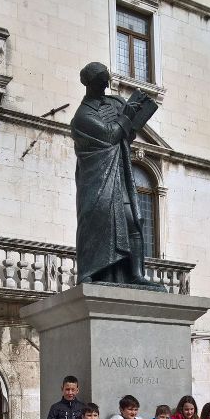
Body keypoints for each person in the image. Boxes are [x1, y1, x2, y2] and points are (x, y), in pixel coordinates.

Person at [71, 61, 157, 285]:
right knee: (96, 223)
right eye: (100, 83)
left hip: (120, 175)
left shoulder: (115, 102)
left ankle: (137, 275)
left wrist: (135, 116)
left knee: (134, 220)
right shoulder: (82, 117)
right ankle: (88, 273)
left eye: (106, 82)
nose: (105, 87)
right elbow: (110, 135)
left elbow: (127, 135)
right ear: (89, 84)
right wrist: (126, 117)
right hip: (98, 181)